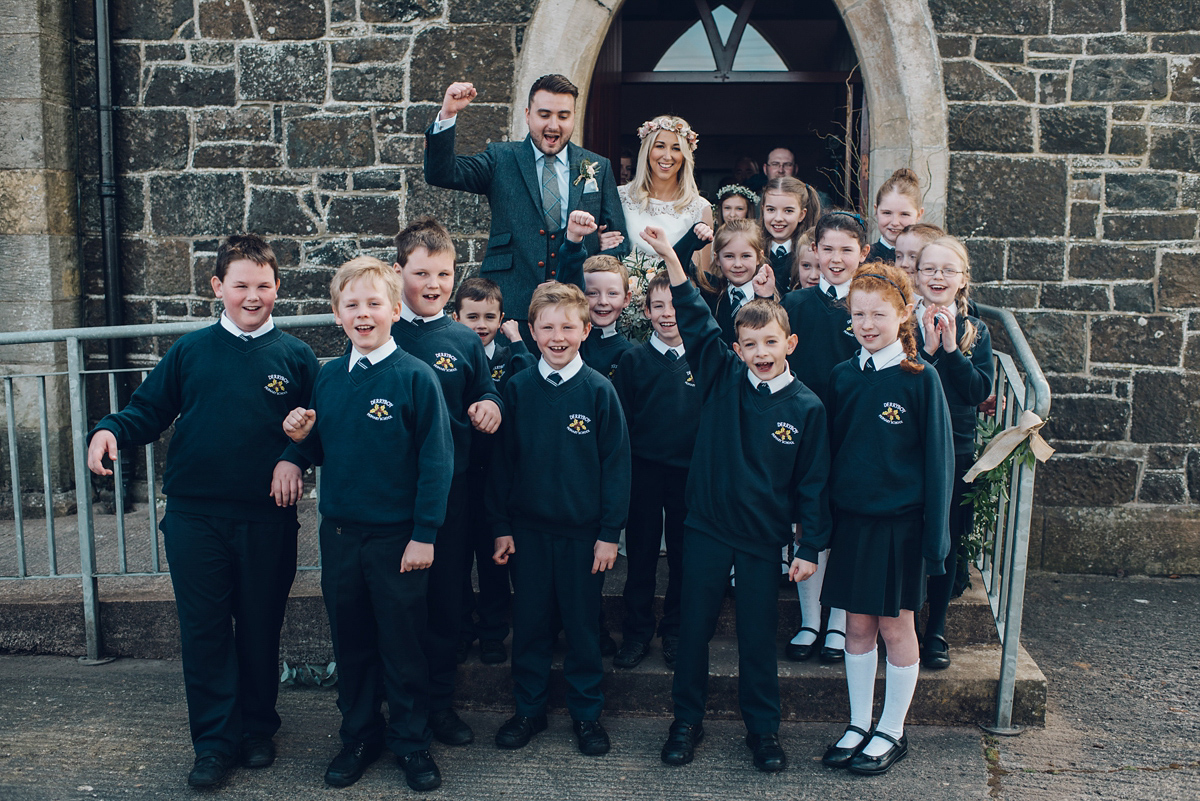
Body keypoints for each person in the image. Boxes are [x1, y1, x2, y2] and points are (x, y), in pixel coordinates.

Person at [86, 235, 319, 789]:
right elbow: (148, 411)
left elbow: (320, 429)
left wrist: (295, 455)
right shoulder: (189, 352)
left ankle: (258, 728)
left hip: (267, 517)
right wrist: (109, 429)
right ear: (218, 288)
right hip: (195, 517)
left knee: (260, 627)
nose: (253, 295)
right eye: (241, 285)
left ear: (277, 289)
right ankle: (214, 743)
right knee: (206, 630)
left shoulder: (297, 358)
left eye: (264, 285)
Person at [641, 223, 831, 775]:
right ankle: (686, 721)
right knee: (694, 629)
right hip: (704, 528)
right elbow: (696, 320)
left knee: (755, 638)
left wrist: (809, 545)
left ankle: (763, 731)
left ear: (789, 344)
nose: (760, 352)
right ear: (737, 348)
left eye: (770, 342)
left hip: (760, 539)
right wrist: (671, 262)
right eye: (749, 344)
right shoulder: (721, 374)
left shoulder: (807, 408)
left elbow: (814, 483)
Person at [280, 257, 453, 791]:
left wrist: (424, 534)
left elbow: (436, 461)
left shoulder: (416, 378)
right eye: (351, 305)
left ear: (395, 310)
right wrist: (298, 443)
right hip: (340, 536)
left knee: (401, 645)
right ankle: (359, 734)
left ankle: (411, 741)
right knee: (351, 641)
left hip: (398, 539)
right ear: (336, 314)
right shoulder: (329, 377)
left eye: (374, 303)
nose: (363, 314)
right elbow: (325, 445)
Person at [818, 263, 953, 776]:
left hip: (901, 526)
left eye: (879, 313)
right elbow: (829, 453)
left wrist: (935, 539)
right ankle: (858, 722)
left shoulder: (921, 380)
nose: (868, 323)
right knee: (856, 626)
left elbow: (940, 461)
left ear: (903, 315)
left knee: (897, 629)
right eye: (858, 314)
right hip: (853, 523)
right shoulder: (841, 375)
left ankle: (892, 729)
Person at [488, 282, 631, 757]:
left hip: (582, 537)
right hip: (528, 534)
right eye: (547, 327)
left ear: (585, 330)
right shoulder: (517, 388)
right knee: (529, 625)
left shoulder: (598, 390)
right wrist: (502, 526)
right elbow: (502, 464)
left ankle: (586, 714)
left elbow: (616, 467)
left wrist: (609, 535)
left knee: (583, 629)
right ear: (531, 331)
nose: (557, 336)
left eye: (568, 326)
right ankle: (528, 710)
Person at [390, 217, 504, 748]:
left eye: (443, 273)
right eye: (421, 273)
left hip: (451, 495)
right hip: (391, 497)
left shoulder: (462, 337)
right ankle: (393, 711)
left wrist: (489, 404)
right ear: (399, 272)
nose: (433, 284)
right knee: (396, 610)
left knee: (444, 606)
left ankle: (440, 706)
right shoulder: (381, 330)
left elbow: (485, 392)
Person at [424, 74, 629, 339]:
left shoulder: (597, 166)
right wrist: (448, 113)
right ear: (527, 114)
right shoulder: (500, 158)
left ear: (574, 116)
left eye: (563, 116)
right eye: (544, 114)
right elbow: (442, 173)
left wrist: (599, 249)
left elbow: (619, 242)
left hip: (574, 315)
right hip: (509, 308)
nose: (553, 125)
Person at [781, 210, 872, 665]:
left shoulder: (867, 309)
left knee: (842, 524)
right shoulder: (794, 306)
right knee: (807, 520)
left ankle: (837, 621)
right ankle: (809, 620)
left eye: (846, 250)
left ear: (864, 254)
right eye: (828, 249)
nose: (836, 259)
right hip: (802, 431)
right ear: (813, 251)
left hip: (851, 430)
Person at [611, 271, 701, 670]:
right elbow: (623, 422)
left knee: (684, 556)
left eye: (676, 305)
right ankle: (636, 631)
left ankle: (677, 630)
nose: (669, 314)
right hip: (644, 473)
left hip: (689, 475)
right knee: (643, 555)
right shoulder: (632, 360)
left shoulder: (704, 357)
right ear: (645, 310)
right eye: (659, 306)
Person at [913, 236, 994, 670]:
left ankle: (937, 629)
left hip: (956, 448)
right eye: (930, 269)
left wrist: (950, 349)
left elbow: (979, 389)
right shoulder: (901, 322)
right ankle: (904, 625)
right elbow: (896, 380)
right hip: (907, 446)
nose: (938, 277)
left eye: (948, 270)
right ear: (917, 274)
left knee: (947, 541)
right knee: (907, 535)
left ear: (963, 279)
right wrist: (925, 348)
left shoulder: (976, 331)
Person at [452, 278, 537, 666]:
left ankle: (492, 631)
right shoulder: (451, 355)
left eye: (489, 317)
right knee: (456, 554)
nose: (480, 324)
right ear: (456, 318)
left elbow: (529, 380)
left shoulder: (507, 356)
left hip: (497, 473)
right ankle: (461, 625)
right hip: (460, 472)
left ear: (502, 319)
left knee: (492, 558)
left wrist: (517, 341)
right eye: (472, 317)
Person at [620, 115, 713, 274]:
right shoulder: (620, 197)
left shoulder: (700, 208)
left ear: (685, 156)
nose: (667, 156)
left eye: (676, 148)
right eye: (660, 146)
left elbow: (702, 276)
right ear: (647, 150)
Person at [761, 177, 822, 299]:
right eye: (771, 210)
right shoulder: (754, 249)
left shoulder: (812, 251)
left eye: (788, 211)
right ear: (763, 210)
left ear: (801, 214)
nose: (778, 218)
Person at [579, 255, 635, 380]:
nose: (603, 301)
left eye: (612, 293)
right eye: (592, 293)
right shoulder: (572, 344)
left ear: (626, 299)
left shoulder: (629, 354)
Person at [868, 168, 925, 264]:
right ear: (876, 211)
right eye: (887, 213)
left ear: (919, 214)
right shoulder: (863, 258)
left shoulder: (927, 259)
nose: (895, 222)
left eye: (904, 214)